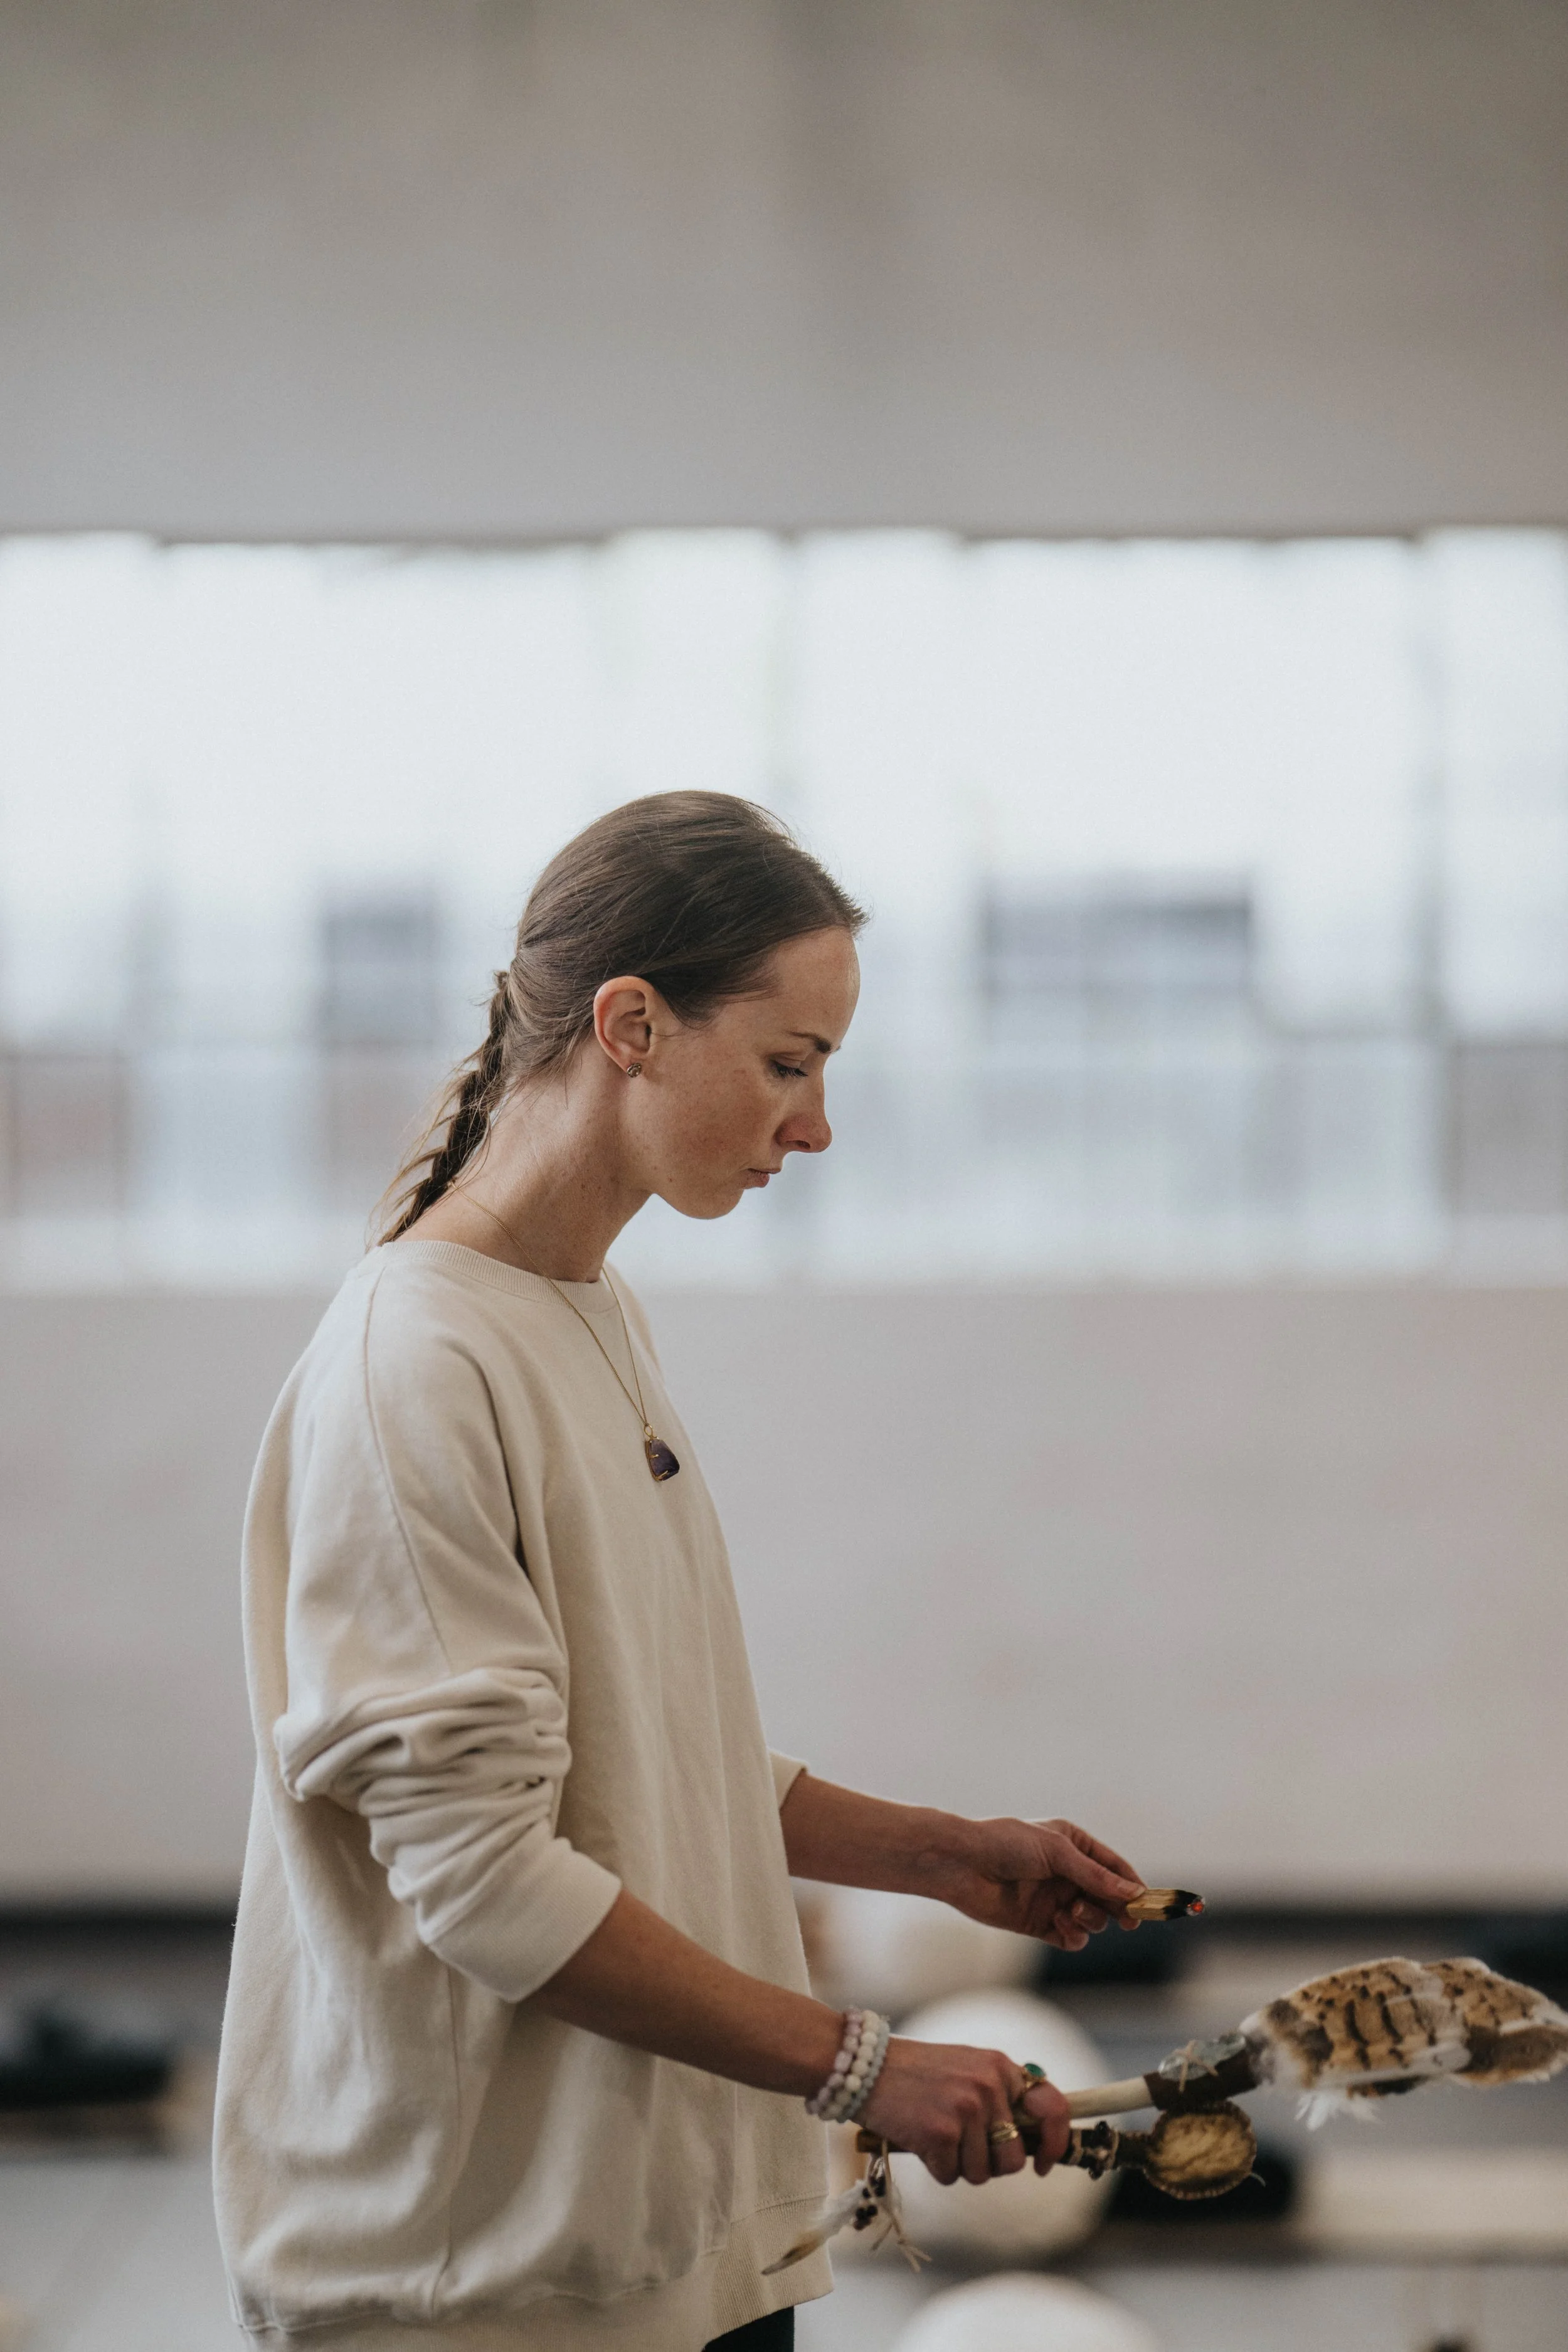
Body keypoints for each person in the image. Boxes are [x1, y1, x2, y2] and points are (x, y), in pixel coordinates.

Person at [213, 792, 1147, 2352]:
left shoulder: (589, 1313)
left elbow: (643, 1754)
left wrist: (934, 1853)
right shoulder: (416, 1363)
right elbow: (487, 1878)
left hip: (670, 2246)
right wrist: (864, 2067)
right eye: (789, 1064)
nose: (816, 1126)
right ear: (630, 1024)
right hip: (485, 2287)